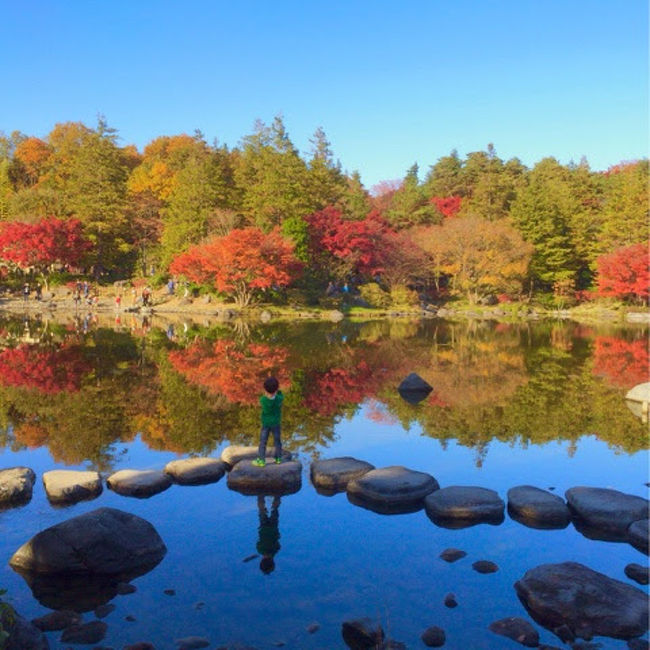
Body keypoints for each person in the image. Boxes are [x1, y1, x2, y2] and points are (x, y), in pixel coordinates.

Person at [253, 376, 284, 466]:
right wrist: (278, 391)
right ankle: (278, 458)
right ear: (276, 388)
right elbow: (280, 395)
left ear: (265, 389)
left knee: (263, 442)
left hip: (266, 424)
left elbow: (263, 400)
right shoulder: (279, 398)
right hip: (276, 423)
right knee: (277, 441)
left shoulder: (263, 400)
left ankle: (261, 460)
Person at [256, 495, 281, 574]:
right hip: (263, 528)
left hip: (273, 528)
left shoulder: (275, 550)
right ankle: (260, 495)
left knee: (275, 510)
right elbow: (258, 543)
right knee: (262, 511)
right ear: (262, 560)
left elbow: (277, 542)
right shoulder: (260, 550)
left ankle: (278, 495)